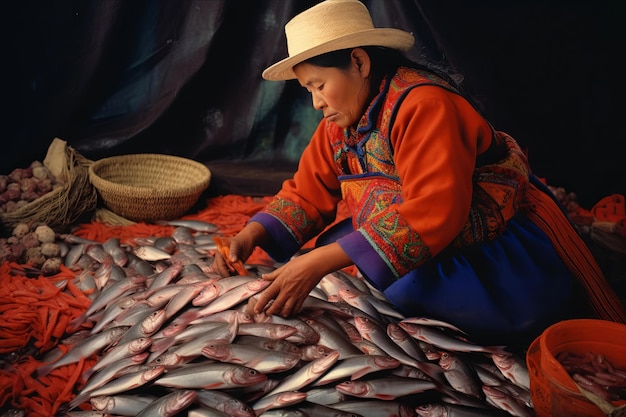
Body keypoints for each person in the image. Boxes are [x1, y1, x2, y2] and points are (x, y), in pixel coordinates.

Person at [213, 0, 625, 346]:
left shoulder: (425, 106)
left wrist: (319, 262)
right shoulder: (339, 126)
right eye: (308, 90)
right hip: (413, 239)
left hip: (477, 246)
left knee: (423, 299)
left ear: (358, 62)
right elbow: (308, 190)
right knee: (346, 267)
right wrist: (254, 233)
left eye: (320, 85)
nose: (317, 103)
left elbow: (436, 210)